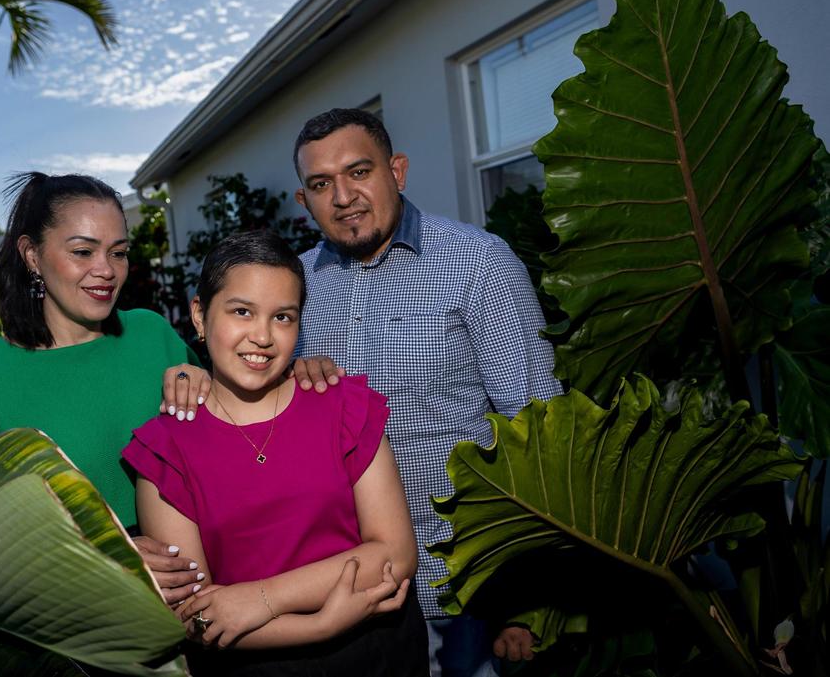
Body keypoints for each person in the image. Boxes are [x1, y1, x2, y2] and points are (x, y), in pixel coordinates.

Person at [288, 108, 563, 675]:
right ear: (304, 201)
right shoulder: (291, 288)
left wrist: (531, 603)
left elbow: (539, 431)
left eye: (359, 171)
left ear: (398, 171)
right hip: (345, 593)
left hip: (468, 589)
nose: (343, 196)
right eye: (322, 184)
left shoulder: (478, 263)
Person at [123, 229, 428, 676]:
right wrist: (319, 625)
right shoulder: (166, 447)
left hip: (381, 653)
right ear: (200, 316)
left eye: (283, 317)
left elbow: (396, 555)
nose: (263, 336)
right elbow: (197, 614)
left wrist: (263, 598)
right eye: (242, 311)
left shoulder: (343, 404)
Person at [0, 172, 207, 535]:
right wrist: (105, 558)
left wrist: (209, 384)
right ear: (33, 256)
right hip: (80, 590)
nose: (106, 270)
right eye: (82, 252)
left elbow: (237, 443)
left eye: (118, 253)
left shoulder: (152, 333)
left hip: (209, 577)